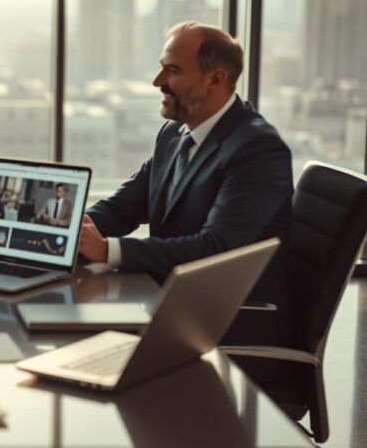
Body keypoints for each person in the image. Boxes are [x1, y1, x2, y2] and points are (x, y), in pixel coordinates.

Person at [77, 21, 293, 349]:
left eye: (173, 71)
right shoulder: (174, 133)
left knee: (78, 339)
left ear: (215, 79)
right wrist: (71, 232)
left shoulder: (258, 150)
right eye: (161, 68)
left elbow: (216, 249)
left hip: (225, 322)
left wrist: (108, 250)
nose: (158, 81)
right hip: (168, 301)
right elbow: (124, 207)